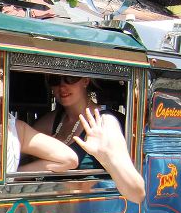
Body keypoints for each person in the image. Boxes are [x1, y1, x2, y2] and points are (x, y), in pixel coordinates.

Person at [32, 74, 145, 204]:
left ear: (85, 80)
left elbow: (137, 193)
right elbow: (19, 142)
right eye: (55, 80)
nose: (62, 86)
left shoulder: (104, 122)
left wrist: (106, 156)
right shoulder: (53, 121)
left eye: (70, 78)